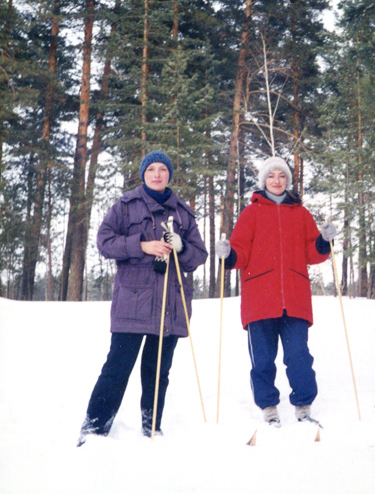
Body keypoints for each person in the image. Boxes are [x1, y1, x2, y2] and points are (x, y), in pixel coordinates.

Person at [78, 151, 208, 445]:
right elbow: (104, 242)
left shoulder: (184, 212)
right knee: (117, 368)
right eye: (152, 169)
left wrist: (183, 246)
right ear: (143, 174)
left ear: (169, 175)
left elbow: (199, 256)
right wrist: (143, 246)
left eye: (163, 169)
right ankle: (93, 431)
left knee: (158, 370)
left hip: (170, 305)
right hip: (132, 304)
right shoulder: (125, 206)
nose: (157, 174)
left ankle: (152, 429)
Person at [216, 156, 336, 427]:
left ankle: (304, 405)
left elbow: (311, 252)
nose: (277, 180)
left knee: (299, 356)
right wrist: (229, 255)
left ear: (288, 180)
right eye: (272, 176)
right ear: (264, 181)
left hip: (294, 298)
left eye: (282, 175)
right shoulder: (251, 214)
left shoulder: (301, 213)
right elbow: (241, 253)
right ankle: (268, 406)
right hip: (260, 298)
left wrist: (323, 240)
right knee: (262, 359)